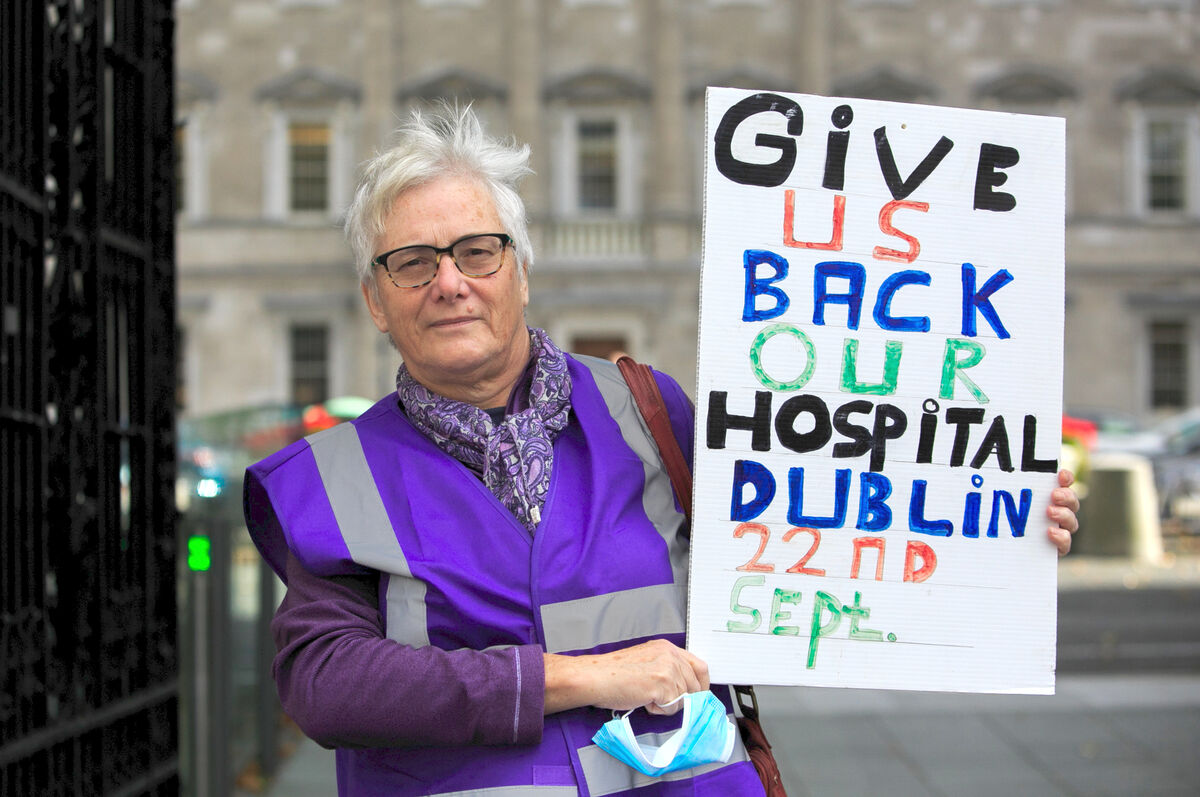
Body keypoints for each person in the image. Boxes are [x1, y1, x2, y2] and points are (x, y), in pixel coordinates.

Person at [243, 105, 1080, 796]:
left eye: (476, 251)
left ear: (521, 271)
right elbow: (327, 684)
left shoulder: (652, 412)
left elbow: (819, 540)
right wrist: (576, 678)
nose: (450, 282)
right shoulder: (334, 478)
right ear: (376, 300)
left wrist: (988, 513)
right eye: (413, 263)